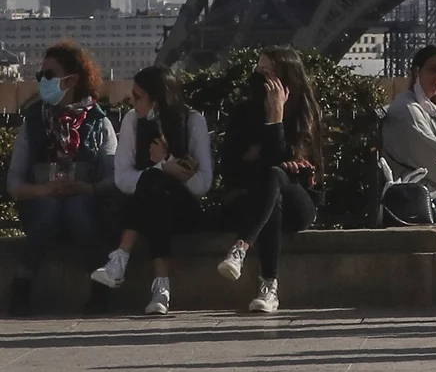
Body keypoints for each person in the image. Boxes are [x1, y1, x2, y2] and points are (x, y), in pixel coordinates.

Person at [92, 64, 215, 315]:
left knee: (153, 182)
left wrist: (166, 164)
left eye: (138, 97)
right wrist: (162, 167)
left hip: (184, 209)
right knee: (154, 186)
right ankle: (161, 288)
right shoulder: (131, 122)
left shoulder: (193, 121)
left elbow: (203, 184)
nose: (133, 102)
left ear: (156, 101)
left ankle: (120, 259)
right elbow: (122, 178)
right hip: (150, 208)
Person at [8, 43, 117, 316]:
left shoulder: (98, 121)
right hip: (40, 201)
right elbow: (14, 183)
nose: (42, 81)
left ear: (71, 80)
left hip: (86, 202)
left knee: (77, 209)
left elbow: (114, 177)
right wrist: (44, 189)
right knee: (51, 208)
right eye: (40, 76)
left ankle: (100, 284)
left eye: (49, 75)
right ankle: (22, 284)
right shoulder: (33, 121)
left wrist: (87, 187)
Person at [215, 47, 323, 313]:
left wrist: (276, 119)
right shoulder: (243, 114)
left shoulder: (305, 113)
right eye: (259, 71)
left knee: (274, 177)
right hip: (254, 200)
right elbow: (231, 169)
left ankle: (241, 247)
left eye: (270, 73)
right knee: (272, 188)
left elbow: (300, 167)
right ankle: (269, 287)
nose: (262, 79)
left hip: (299, 202)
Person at [381, 46, 436, 240]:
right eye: (433, 69)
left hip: (435, 191)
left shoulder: (431, 110)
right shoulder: (408, 111)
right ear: (416, 71)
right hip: (421, 196)